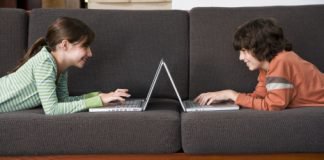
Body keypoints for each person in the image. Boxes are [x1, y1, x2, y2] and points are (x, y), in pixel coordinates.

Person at [0, 17, 130, 115]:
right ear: (65, 45)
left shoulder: (60, 69)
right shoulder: (45, 62)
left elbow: (64, 101)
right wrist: (99, 101)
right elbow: (52, 109)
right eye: (85, 46)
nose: (90, 53)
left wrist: (101, 96)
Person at [194, 18, 324, 111]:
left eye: (244, 51)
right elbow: (259, 97)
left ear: (261, 46)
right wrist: (227, 99)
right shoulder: (266, 68)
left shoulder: (282, 61)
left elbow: (272, 106)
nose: (240, 58)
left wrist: (232, 94)